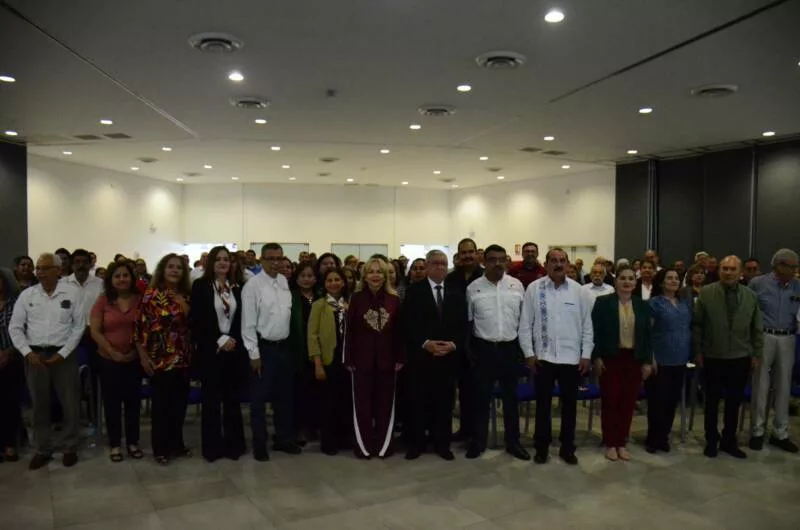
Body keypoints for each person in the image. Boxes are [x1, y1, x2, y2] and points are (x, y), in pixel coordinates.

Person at [9, 253, 85, 470]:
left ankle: (69, 447)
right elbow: (15, 327)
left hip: (64, 356)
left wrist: (64, 352)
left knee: (70, 403)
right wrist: (27, 352)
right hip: (35, 357)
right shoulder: (28, 295)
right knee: (38, 405)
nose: (39, 272)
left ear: (57, 271)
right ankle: (42, 448)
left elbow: (79, 326)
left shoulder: (72, 293)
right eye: (38, 268)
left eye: (44, 268)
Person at [519, 248, 593, 465]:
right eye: (554, 260)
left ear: (568, 264)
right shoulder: (534, 289)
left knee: (569, 406)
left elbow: (587, 326)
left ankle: (567, 447)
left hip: (572, 359)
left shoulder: (579, 291)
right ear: (546, 264)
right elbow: (525, 324)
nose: (558, 264)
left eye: (562, 260)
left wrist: (586, 354)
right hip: (543, 358)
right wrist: (529, 353)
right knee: (542, 406)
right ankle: (541, 447)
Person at [693, 255, 763, 459]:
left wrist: (757, 353)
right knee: (712, 402)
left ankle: (729, 440)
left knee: (734, 402)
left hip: (740, 356)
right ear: (719, 270)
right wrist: (697, 351)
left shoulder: (750, 295)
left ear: (740, 272)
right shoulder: (706, 292)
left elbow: (756, 327)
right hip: (713, 355)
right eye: (725, 268)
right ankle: (711, 440)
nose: (728, 272)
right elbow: (697, 325)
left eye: (733, 269)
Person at [464, 245, 529, 461]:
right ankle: (478, 442)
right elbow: (469, 322)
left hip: (510, 349)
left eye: (502, 259)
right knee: (481, 399)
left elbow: (524, 320)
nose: (498, 263)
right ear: (484, 262)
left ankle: (513, 443)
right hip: (484, 350)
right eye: (492, 259)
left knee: (511, 399)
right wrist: (470, 350)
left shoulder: (516, 286)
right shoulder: (473, 288)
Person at [403, 250, 467, 461]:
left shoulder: (456, 290)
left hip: (448, 358)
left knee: (444, 404)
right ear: (427, 266)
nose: (440, 267)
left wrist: (453, 344)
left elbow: (463, 323)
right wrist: (425, 343)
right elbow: (408, 324)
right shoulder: (414, 291)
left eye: (444, 263)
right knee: (418, 402)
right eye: (436, 263)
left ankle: (442, 444)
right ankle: (416, 444)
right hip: (422, 358)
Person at [242, 243, 301, 461]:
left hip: (284, 348)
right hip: (263, 349)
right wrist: (254, 354)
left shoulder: (284, 281)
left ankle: (283, 439)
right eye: (271, 259)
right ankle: (260, 443)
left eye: (279, 258)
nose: (276, 263)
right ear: (261, 260)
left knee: (284, 397)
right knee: (258, 400)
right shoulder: (253, 286)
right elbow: (248, 323)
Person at [190, 246, 248, 462]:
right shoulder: (201, 286)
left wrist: (232, 339)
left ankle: (234, 446)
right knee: (211, 401)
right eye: (218, 259)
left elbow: (242, 317)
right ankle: (212, 447)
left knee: (232, 401)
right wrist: (219, 339)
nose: (223, 263)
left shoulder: (238, 287)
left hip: (233, 350)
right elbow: (198, 319)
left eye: (226, 259)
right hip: (211, 350)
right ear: (211, 263)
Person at [135, 253, 192, 466]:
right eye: (170, 266)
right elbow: (139, 329)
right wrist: (143, 357)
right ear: (162, 270)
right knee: (162, 406)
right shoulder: (151, 295)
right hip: (160, 358)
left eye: (179, 267)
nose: (175, 270)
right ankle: (161, 448)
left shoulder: (187, 295)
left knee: (179, 405)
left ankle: (177, 444)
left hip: (183, 357)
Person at [592, 265, 653, 461]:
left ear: (635, 283)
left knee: (627, 403)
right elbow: (595, 332)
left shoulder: (642, 305)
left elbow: (647, 336)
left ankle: (621, 442)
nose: (627, 282)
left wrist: (647, 361)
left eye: (631, 279)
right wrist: (597, 357)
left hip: (633, 359)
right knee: (611, 401)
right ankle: (610, 443)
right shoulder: (603, 303)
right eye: (623, 278)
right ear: (615, 281)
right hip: (611, 358)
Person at [345, 257, 405, 459]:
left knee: (385, 405)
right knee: (362, 405)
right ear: (364, 276)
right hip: (360, 361)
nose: (375, 276)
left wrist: (400, 357)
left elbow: (399, 332)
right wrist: (348, 358)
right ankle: (363, 446)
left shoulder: (394, 299)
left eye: (379, 272)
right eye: (371, 272)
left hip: (388, 361)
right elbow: (349, 331)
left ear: (385, 275)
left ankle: (384, 446)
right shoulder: (356, 298)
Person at [89, 261, 143, 463]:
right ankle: (114, 444)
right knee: (112, 403)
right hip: (108, 359)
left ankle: (133, 442)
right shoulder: (103, 300)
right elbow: (95, 331)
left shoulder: (140, 299)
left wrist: (135, 352)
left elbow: (146, 328)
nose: (122, 279)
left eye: (125, 275)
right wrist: (112, 352)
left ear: (132, 278)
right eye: (117, 276)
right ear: (110, 279)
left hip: (134, 359)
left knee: (133, 403)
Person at [747, 249, 800, 453]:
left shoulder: (797, 286)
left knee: (784, 386)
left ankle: (780, 432)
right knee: (760, 384)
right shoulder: (758, 284)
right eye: (792, 267)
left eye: (796, 267)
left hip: (788, 337)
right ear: (779, 266)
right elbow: (749, 313)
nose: (795, 270)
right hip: (764, 336)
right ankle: (757, 431)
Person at [645, 268, 692, 453]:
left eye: (676, 278)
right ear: (661, 282)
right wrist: (650, 358)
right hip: (660, 359)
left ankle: (664, 437)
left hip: (680, 359)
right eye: (669, 278)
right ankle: (653, 438)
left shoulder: (684, 304)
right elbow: (647, 333)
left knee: (672, 401)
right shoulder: (654, 304)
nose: (674, 281)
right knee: (658, 402)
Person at [308, 268, 351, 455]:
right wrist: (317, 363)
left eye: (337, 279)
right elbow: (312, 335)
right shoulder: (319, 305)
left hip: (347, 359)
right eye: (330, 280)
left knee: (345, 401)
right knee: (328, 403)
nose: (334, 283)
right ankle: (329, 442)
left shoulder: (350, 303)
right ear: (324, 284)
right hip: (328, 360)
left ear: (343, 282)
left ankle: (344, 438)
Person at [445, 238, 484, 443]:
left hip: (478, 341)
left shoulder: (486, 276)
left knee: (477, 390)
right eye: (464, 252)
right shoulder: (450, 279)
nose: (467, 256)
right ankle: (464, 429)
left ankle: (477, 432)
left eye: (471, 252)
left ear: (477, 253)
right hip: (455, 342)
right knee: (460, 390)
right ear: (458, 255)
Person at [288, 262, 319, 446]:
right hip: (297, 349)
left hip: (317, 350)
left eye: (310, 276)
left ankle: (312, 426)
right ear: (297, 277)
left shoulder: (321, 296)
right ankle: (297, 428)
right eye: (303, 276)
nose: (307, 279)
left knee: (315, 391)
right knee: (298, 391)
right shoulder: (290, 297)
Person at [0, 268, 23, 462]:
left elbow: (24, 331)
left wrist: (8, 352)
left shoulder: (17, 303)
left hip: (13, 358)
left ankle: (10, 443)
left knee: (9, 401)